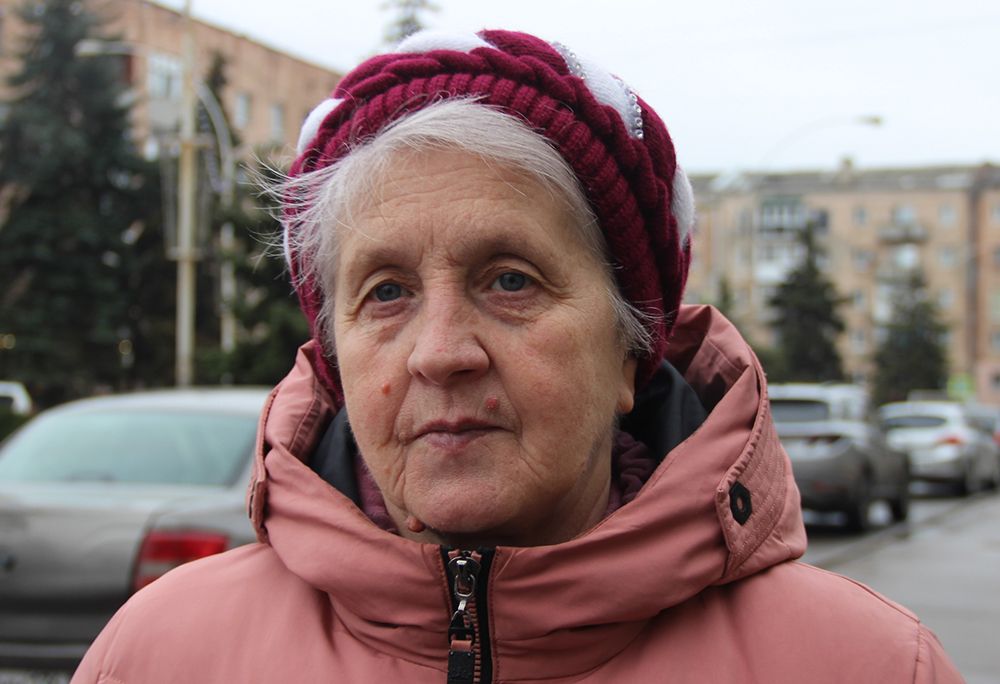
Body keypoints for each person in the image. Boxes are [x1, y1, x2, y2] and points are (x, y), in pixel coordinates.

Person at [72, 29, 962, 683]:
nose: (440, 354)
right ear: (337, 357)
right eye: (387, 292)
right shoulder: (161, 656)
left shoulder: (868, 666)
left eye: (510, 280)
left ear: (630, 352)